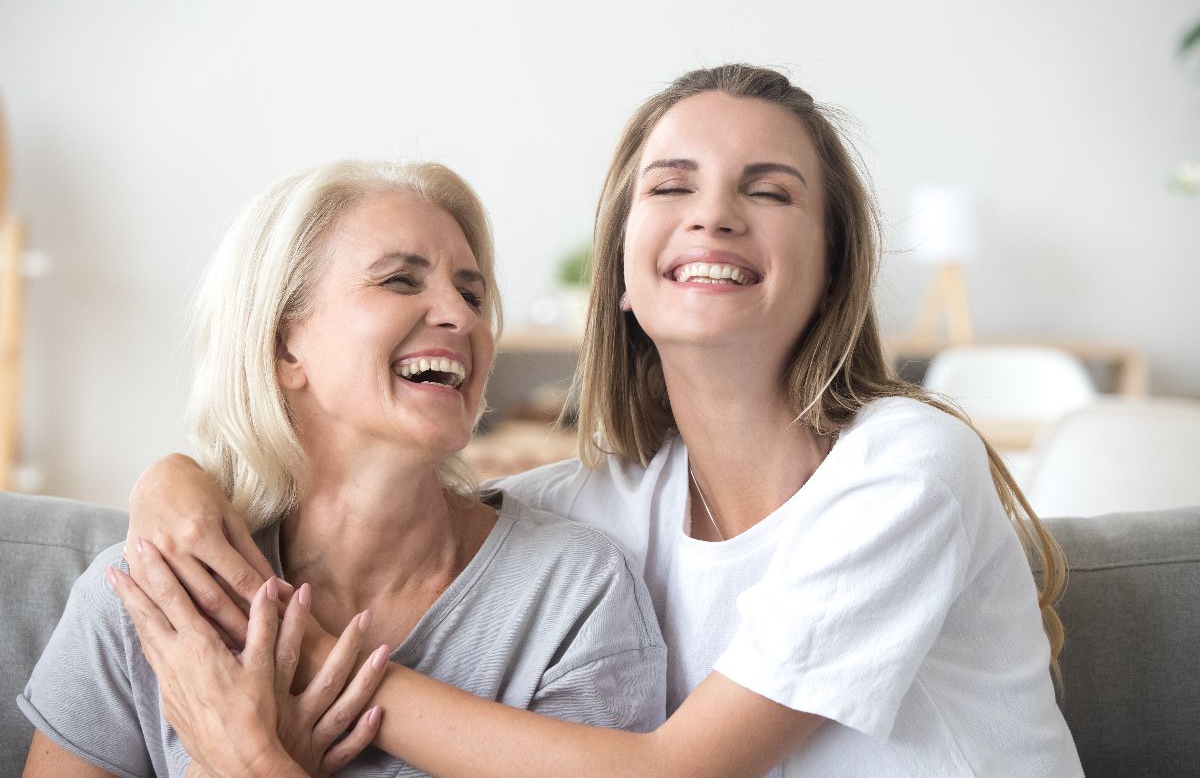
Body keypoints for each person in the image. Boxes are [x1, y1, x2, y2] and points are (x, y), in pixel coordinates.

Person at [113, 64, 1083, 776]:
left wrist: (314, 665)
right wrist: (174, 478)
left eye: (770, 190)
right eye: (671, 185)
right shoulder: (610, 503)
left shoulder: (908, 466)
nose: (714, 214)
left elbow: (671, 770)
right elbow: (417, 500)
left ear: (834, 263)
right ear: (620, 267)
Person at [18, 161, 667, 778]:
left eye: (471, 292)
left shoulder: (574, 595)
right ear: (283, 347)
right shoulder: (148, 595)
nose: (461, 315)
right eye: (400, 280)